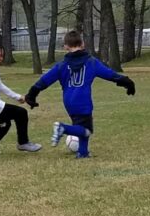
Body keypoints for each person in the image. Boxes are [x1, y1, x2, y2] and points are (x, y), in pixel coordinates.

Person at [24, 30, 135, 158]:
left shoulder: (61, 65)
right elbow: (110, 74)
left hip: (68, 102)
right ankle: (62, 128)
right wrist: (127, 82)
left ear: (66, 46)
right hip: (83, 100)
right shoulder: (91, 62)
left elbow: (44, 81)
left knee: (81, 125)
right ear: (82, 44)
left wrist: (32, 95)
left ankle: (83, 153)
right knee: (86, 130)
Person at [0, 40, 42, 155]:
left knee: (5, 124)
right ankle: (23, 143)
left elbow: (0, 86)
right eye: (0, 55)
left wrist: (17, 97)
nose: (1, 58)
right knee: (21, 113)